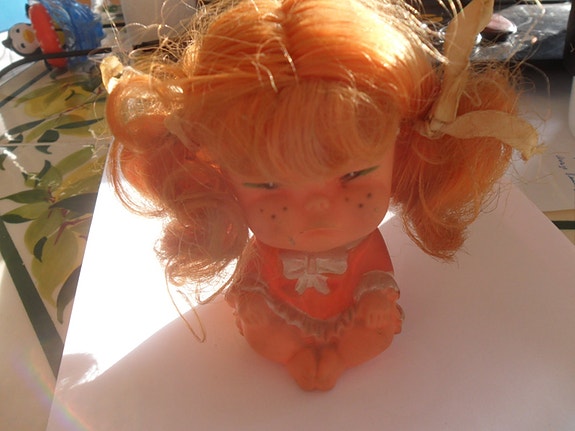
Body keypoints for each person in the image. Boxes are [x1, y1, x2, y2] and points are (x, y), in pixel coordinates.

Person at [103, 0, 539, 391]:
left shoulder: (364, 244)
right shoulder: (265, 248)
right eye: (268, 184)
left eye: (352, 174)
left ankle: (339, 356)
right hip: (281, 315)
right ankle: (294, 354)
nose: (316, 207)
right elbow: (251, 281)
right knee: (262, 332)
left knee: (376, 332)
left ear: (402, 151)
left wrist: (374, 301)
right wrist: (253, 301)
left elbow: (376, 277)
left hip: (351, 316)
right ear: (221, 177)